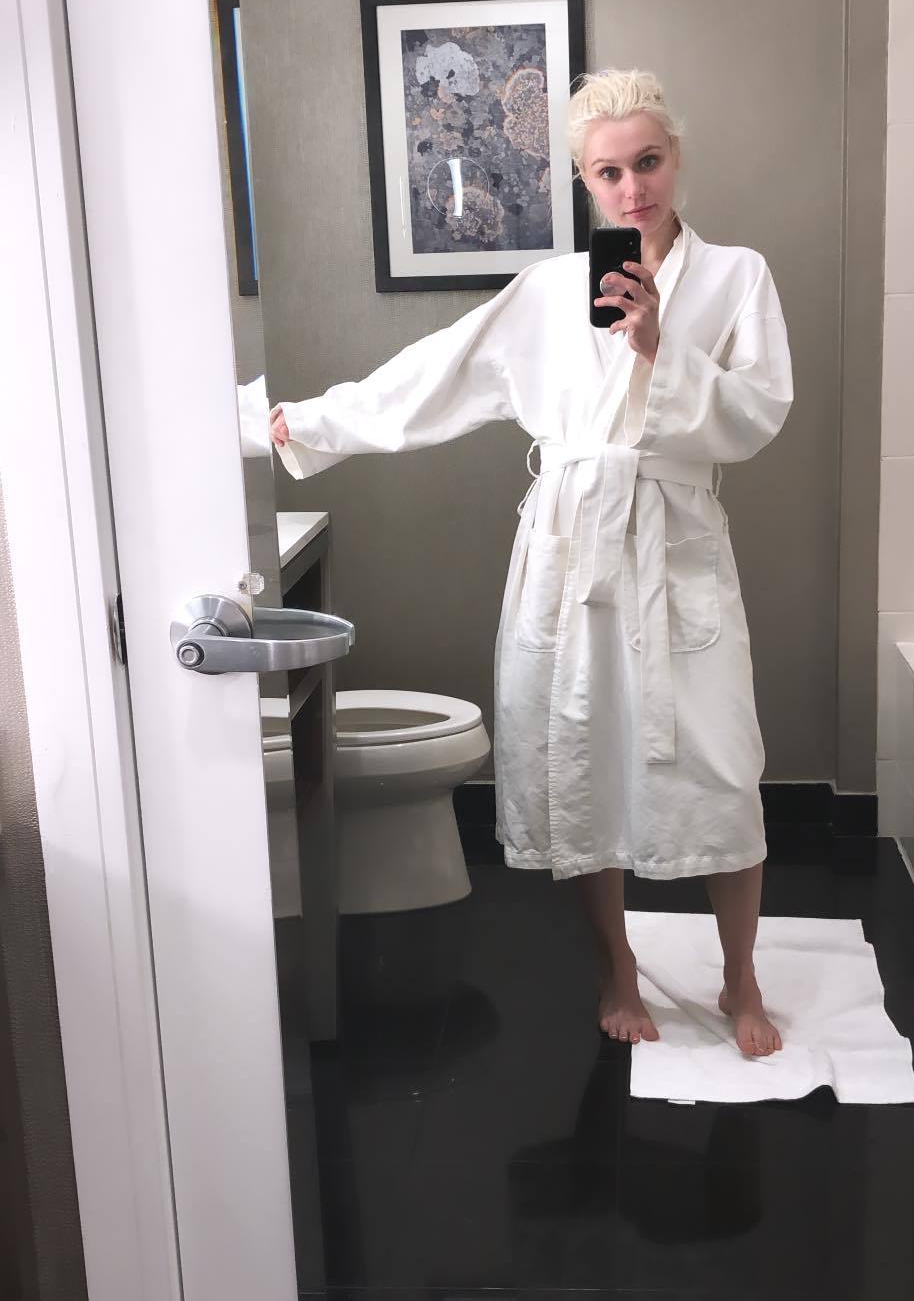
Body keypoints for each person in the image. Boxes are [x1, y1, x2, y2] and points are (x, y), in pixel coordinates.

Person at [270, 68, 793, 1056]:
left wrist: (659, 348)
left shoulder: (737, 276)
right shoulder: (554, 289)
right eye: (609, 172)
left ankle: (741, 974)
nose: (632, 187)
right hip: (572, 545)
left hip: (674, 546)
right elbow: (441, 372)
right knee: (582, 754)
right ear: (583, 182)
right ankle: (616, 966)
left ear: (676, 157)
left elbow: (758, 412)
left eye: (648, 162)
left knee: (726, 767)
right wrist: (313, 424)